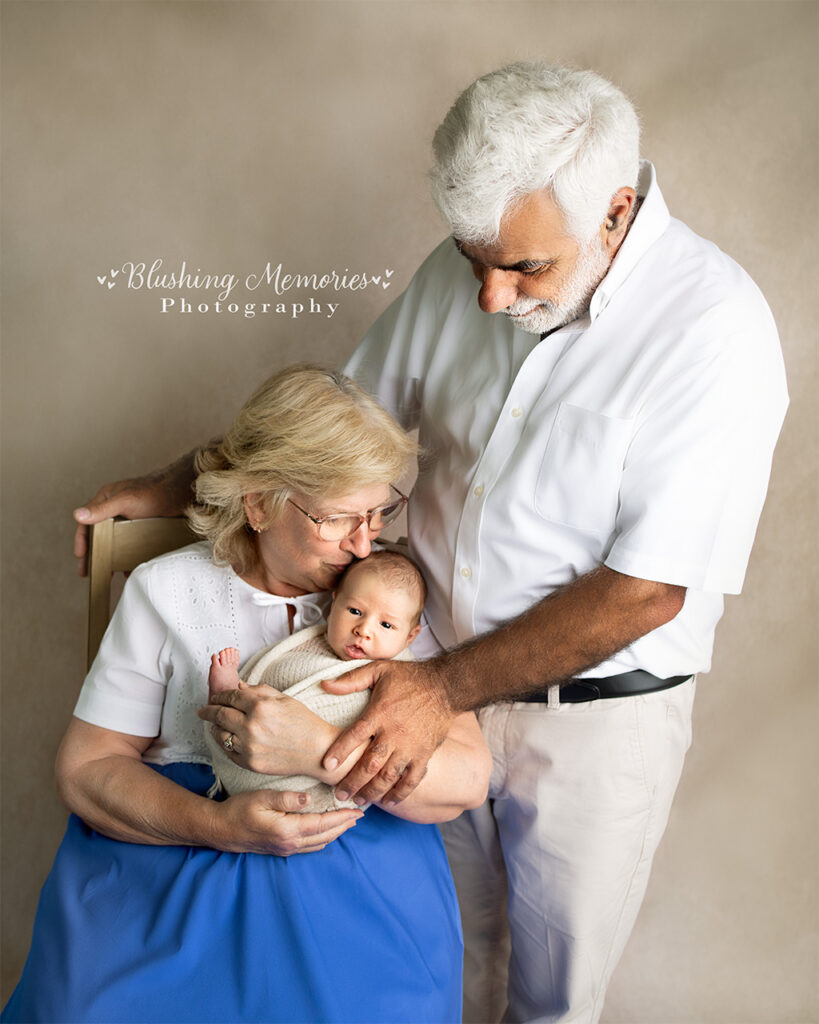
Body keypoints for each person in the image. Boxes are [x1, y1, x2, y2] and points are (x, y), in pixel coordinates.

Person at [70, 63, 789, 1024]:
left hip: (580, 724)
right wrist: (177, 481)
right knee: (428, 976)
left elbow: (645, 591)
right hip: (411, 682)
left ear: (615, 211)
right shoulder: (476, 268)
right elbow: (335, 425)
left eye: (523, 268)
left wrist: (434, 694)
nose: (487, 298)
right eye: (470, 259)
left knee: (549, 1002)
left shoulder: (714, 331)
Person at [5, 364, 491, 1024]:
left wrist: (319, 751)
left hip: (349, 863)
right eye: (337, 517)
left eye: (379, 511)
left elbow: (464, 780)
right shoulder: (166, 589)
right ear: (259, 504)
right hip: (182, 846)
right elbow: (87, 768)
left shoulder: (390, 597)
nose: (364, 541)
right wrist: (220, 828)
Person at [205, 549, 425, 811]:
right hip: (256, 742)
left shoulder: (407, 677)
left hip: (317, 780)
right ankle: (228, 694)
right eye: (355, 610)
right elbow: (274, 681)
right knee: (247, 705)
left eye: (386, 625)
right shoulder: (310, 648)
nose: (363, 630)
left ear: (410, 637)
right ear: (333, 606)